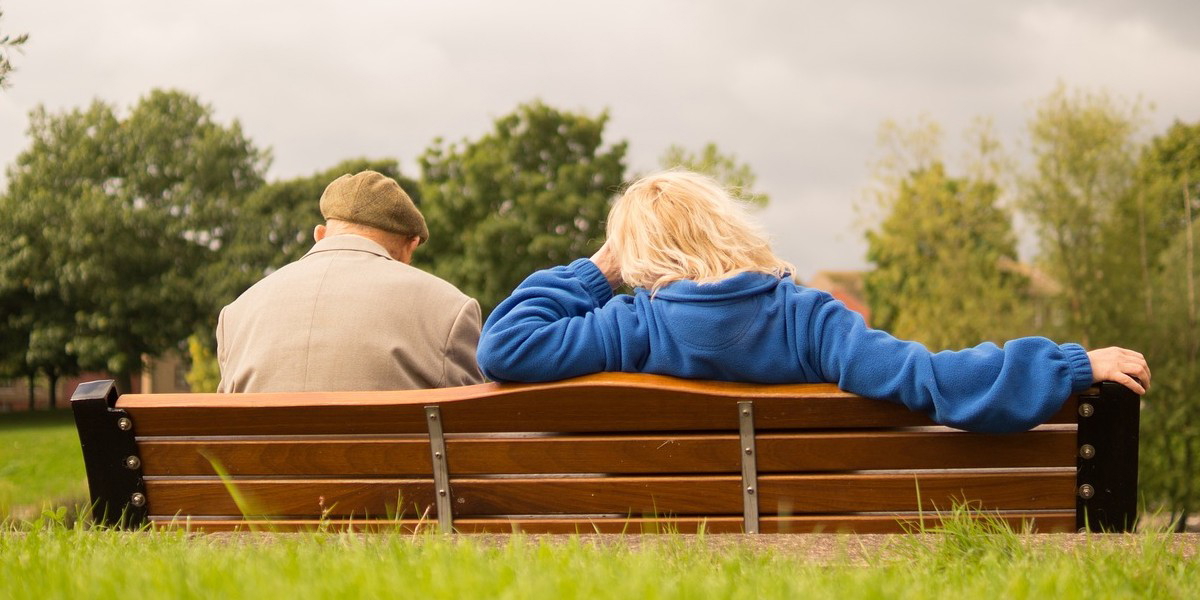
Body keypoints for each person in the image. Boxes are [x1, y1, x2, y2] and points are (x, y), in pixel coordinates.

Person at [476, 170, 1150, 433]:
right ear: (728, 228)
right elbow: (929, 378)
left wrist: (598, 271)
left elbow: (504, 345)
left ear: (640, 257)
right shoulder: (809, 318)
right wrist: (1066, 365)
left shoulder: (629, 325)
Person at [217, 170, 484, 392]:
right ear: (410, 244)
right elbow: (472, 432)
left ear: (319, 234)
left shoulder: (236, 314)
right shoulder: (450, 309)